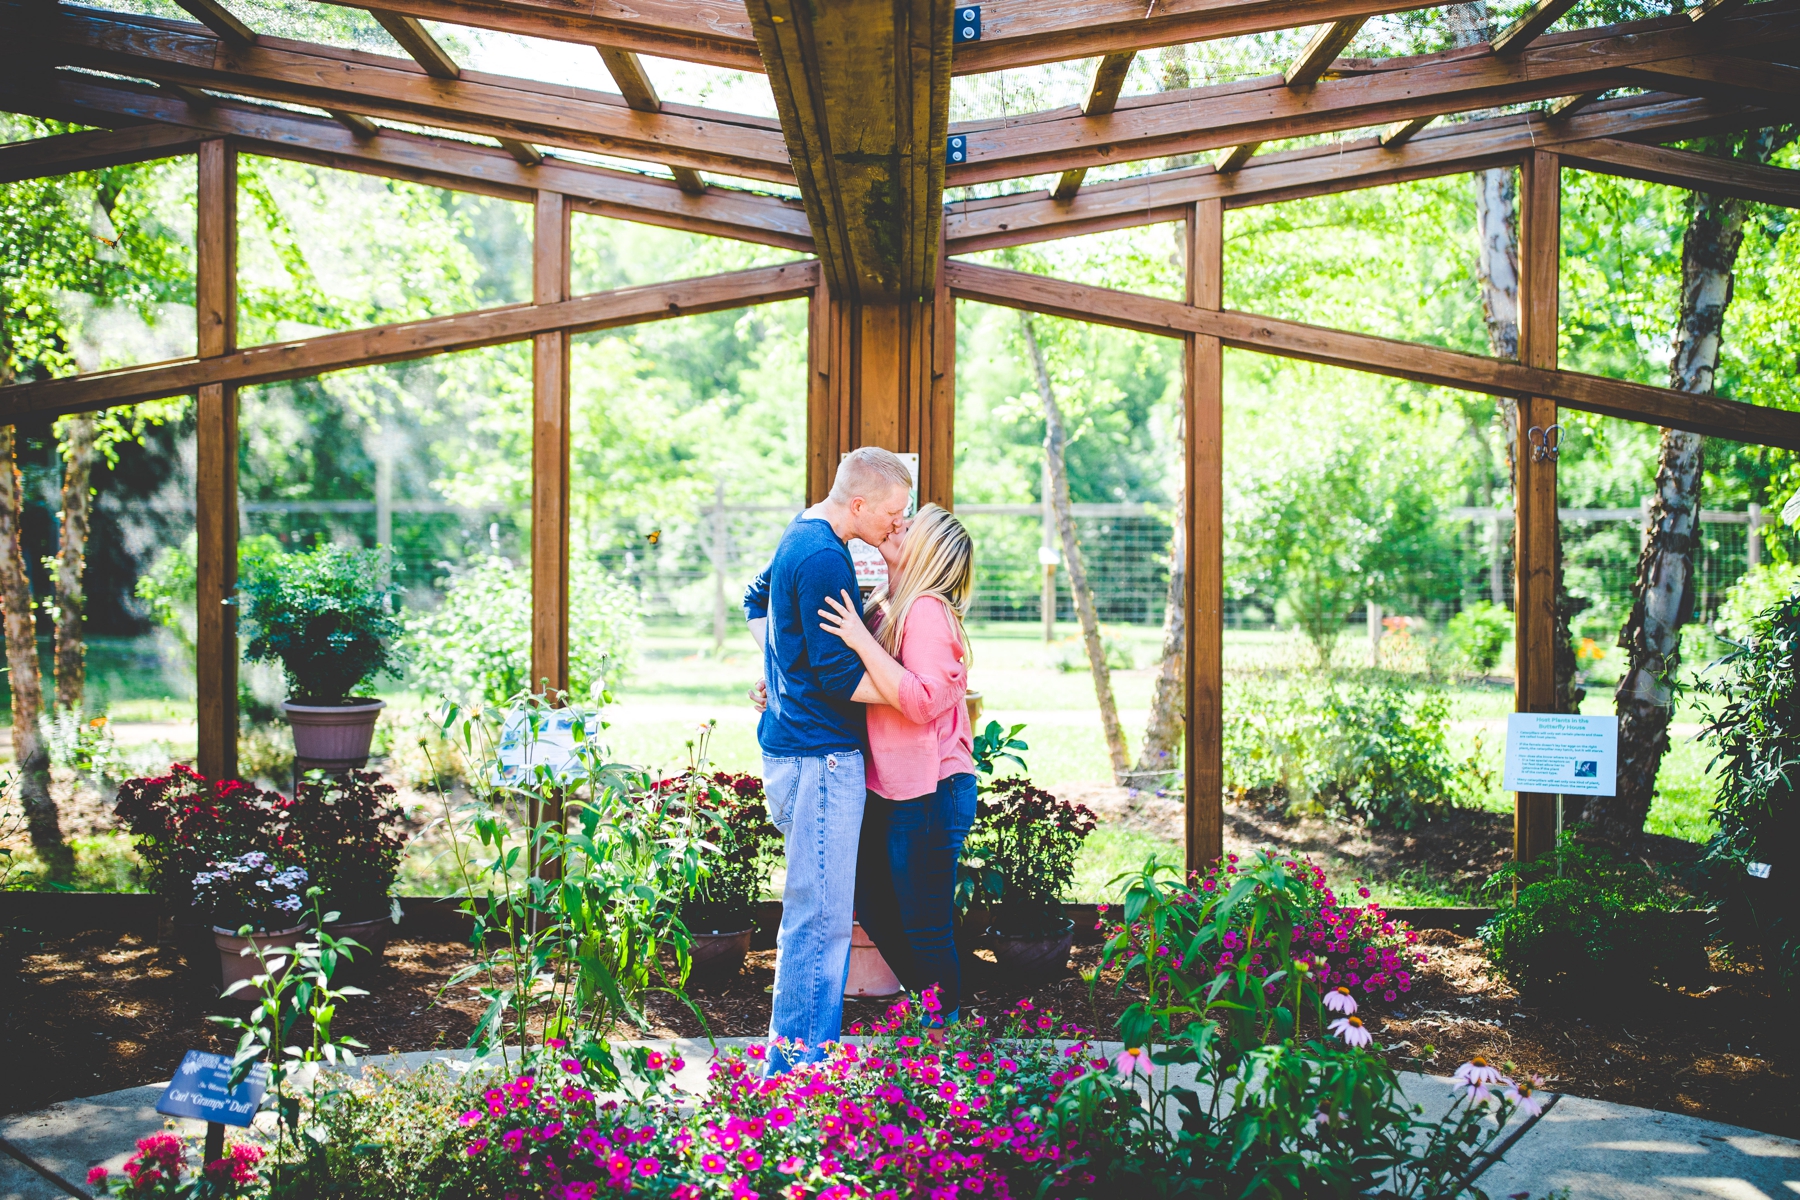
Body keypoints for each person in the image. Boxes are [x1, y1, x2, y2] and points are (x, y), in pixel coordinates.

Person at [742, 446, 912, 1073]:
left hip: (799, 751)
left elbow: (756, 600)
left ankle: (796, 1068)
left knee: (817, 918)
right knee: (821, 924)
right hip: (821, 759)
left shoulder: (805, 535)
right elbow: (843, 677)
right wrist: (916, 696)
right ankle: (797, 1078)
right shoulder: (822, 558)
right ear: (860, 503)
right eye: (893, 512)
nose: (899, 523)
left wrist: (777, 669)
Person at [815, 504, 976, 1025]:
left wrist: (861, 639)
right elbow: (864, 686)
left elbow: (926, 699)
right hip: (893, 786)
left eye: (910, 527)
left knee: (925, 926)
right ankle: (939, 1009)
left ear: (927, 550)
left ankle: (944, 1032)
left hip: (933, 788)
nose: (897, 526)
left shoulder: (926, 609)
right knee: (878, 909)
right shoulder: (887, 605)